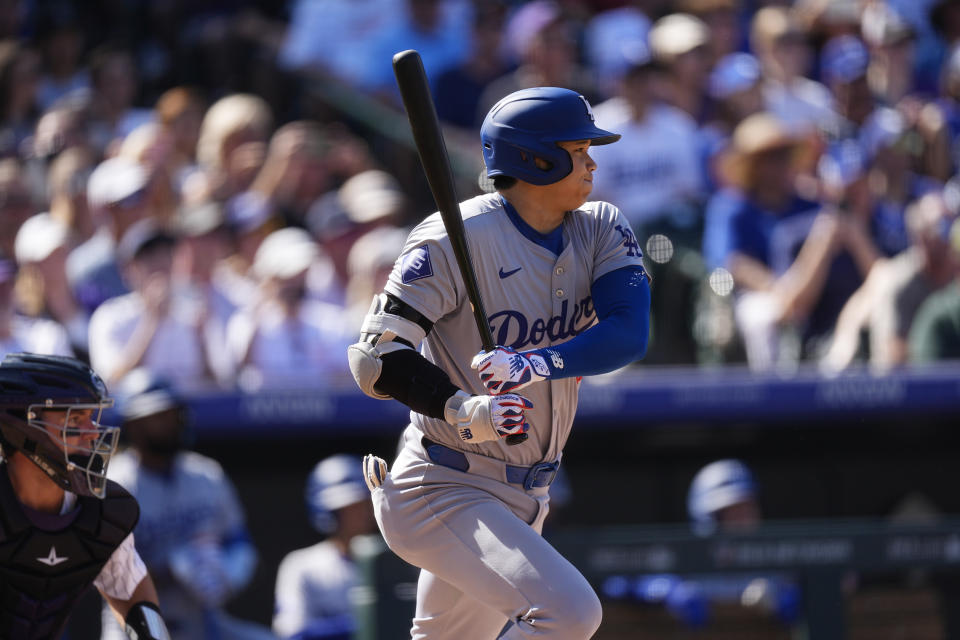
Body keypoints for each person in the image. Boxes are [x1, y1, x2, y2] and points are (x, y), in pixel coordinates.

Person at [348, 87, 651, 638]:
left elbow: (628, 334)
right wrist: (467, 409)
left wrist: (534, 363)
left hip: (527, 493)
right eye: (578, 150)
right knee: (571, 614)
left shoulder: (601, 226)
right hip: (442, 484)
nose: (592, 162)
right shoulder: (453, 237)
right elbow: (376, 360)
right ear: (538, 160)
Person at [0, 352, 171, 639]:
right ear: (22, 425)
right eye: (75, 418)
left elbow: (136, 602)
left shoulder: (103, 513)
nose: (92, 433)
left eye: (92, 417)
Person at [101, 369, 273, 640]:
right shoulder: (114, 486)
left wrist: (229, 573)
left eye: (170, 414)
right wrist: (171, 570)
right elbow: (109, 577)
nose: (168, 423)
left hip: (203, 622)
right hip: (134, 624)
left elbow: (238, 540)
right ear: (133, 425)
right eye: (156, 417)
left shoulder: (206, 474)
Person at [273, 455, 379, 640]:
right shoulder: (301, 565)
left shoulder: (391, 559)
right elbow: (291, 632)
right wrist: (365, 622)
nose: (362, 513)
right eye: (351, 507)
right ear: (330, 512)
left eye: (364, 504)